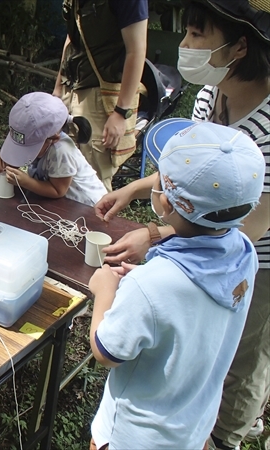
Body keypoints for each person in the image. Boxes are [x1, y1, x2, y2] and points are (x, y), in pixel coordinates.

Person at [94, 2, 270, 448]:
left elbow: (248, 225)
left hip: (254, 253)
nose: (185, 46)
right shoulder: (213, 90)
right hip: (217, 237)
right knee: (197, 351)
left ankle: (225, 437)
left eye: (196, 36)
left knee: (239, 355)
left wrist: (153, 235)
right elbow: (193, 166)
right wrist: (136, 189)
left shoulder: (267, 126)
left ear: (239, 47)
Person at [88, 120, 265, 450]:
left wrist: (105, 291)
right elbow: (185, 309)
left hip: (132, 438)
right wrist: (147, 291)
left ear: (165, 204)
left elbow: (107, 351)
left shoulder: (150, 285)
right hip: (192, 430)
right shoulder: (245, 253)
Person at [53, 0, 148, 192]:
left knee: (93, 179)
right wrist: (58, 88)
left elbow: (136, 50)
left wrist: (121, 112)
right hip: (71, 87)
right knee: (60, 166)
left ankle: (90, 223)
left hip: (102, 94)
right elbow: (73, 37)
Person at [0, 92, 106, 206]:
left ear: (53, 138)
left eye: (29, 148)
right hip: (59, 205)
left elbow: (58, 191)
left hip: (87, 208)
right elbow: (12, 164)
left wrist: (26, 182)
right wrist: (1, 162)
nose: (24, 152)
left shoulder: (61, 151)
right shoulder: (31, 135)